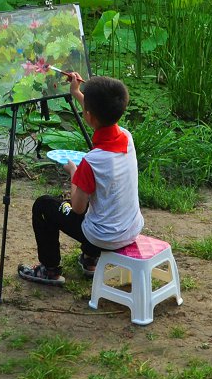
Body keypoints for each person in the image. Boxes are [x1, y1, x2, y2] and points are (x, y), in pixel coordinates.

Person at [18, 72, 143, 285]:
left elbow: (77, 208)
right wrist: (76, 92)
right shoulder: (126, 137)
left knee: (44, 205)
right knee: (100, 202)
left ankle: (49, 269)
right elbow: (100, 114)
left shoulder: (92, 162)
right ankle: (90, 260)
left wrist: (74, 173)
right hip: (130, 229)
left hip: (103, 237)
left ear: (89, 115)